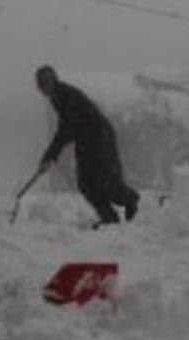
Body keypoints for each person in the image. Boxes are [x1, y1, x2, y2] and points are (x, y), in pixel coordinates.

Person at [35, 65, 140, 228]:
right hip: (86, 142)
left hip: (99, 139)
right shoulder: (58, 97)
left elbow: (67, 129)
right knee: (86, 184)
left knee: (107, 182)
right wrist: (51, 155)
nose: (45, 86)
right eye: (42, 83)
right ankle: (109, 217)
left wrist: (50, 155)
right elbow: (68, 128)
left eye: (48, 81)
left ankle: (130, 200)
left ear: (53, 81)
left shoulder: (64, 95)